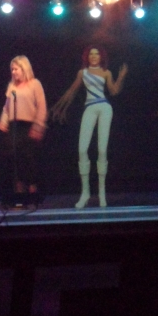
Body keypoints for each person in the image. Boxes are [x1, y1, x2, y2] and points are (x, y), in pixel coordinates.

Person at [51, 46, 128, 208]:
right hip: (90, 107)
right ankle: (85, 193)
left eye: (97, 54)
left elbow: (113, 91)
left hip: (105, 108)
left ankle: (102, 193)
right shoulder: (82, 73)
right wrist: (59, 107)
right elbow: (72, 91)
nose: (94, 56)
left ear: (101, 56)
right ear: (87, 57)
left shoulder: (106, 72)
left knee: (102, 150)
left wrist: (121, 77)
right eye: (91, 54)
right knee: (82, 150)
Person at [0, 55, 47, 206]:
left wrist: (38, 126)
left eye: (16, 69)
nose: (13, 72)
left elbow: (42, 106)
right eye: (12, 69)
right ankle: (19, 188)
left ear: (24, 69)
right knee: (14, 157)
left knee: (28, 157)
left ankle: (32, 187)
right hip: (14, 126)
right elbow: (7, 107)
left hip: (28, 125)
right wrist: (3, 121)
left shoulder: (34, 84)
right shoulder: (12, 86)